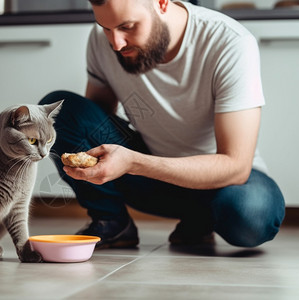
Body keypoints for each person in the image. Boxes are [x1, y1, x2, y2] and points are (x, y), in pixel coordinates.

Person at [39, 0, 285, 249]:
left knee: (251, 214)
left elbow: (236, 166)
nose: (116, 43)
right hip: (151, 181)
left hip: (221, 185)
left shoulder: (229, 42)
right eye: (106, 28)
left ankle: (200, 219)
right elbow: (90, 126)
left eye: (128, 26)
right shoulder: (104, 40)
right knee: (60, 113)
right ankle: (111, 221)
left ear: (162, 3)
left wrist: (134, 162)